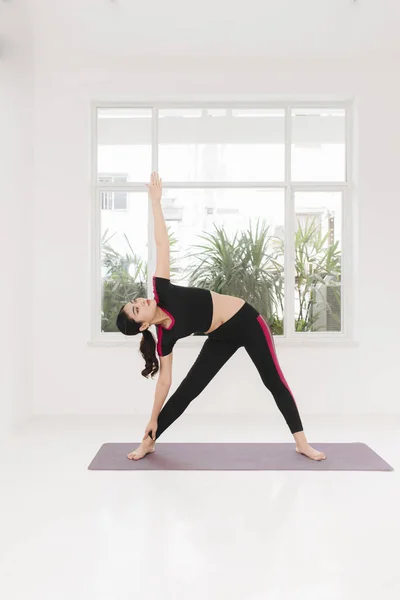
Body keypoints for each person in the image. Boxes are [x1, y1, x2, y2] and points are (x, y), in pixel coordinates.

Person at [117, 172, 326, 462]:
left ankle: (302, 443)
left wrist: (155, 202)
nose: (140, 300)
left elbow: (162, 245)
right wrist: (152, 420)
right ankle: (149, 441)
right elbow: (164, 383)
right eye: (137, 308)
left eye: (135, 301)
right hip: (220, 336)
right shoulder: (165, 337)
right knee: (188, 389)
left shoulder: (161, 289)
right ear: (143, 324)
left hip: (246, 321)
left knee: (273, 379)